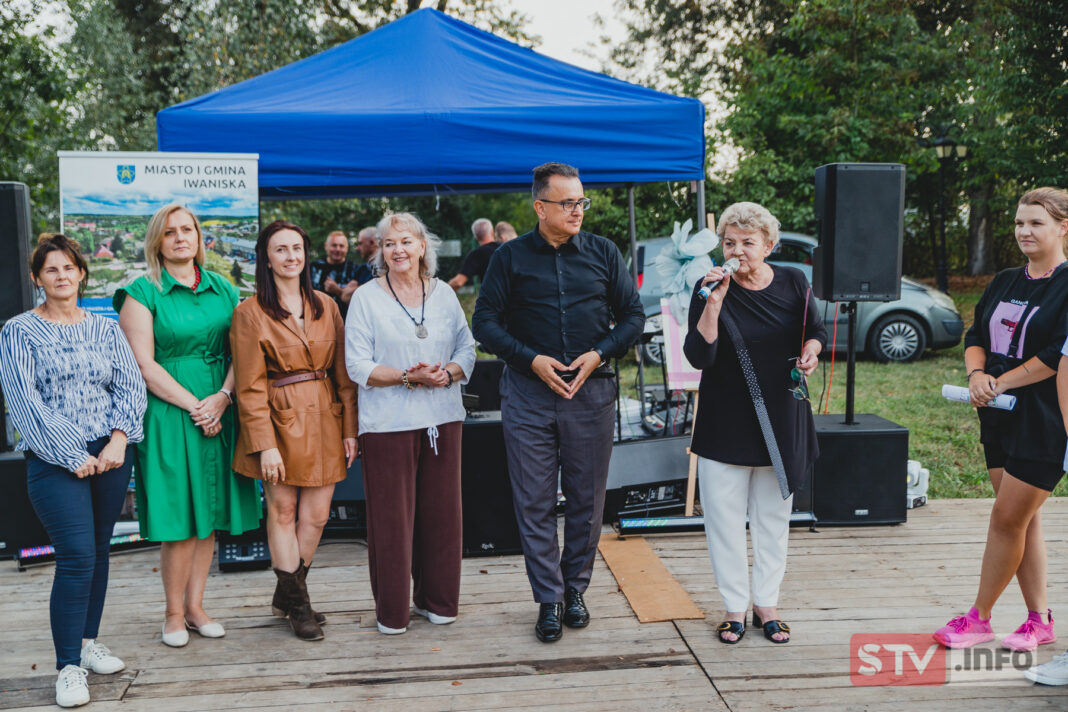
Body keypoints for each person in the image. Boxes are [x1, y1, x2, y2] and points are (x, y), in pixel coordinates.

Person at [472, 162, 644, 643]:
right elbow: (484, 323)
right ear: (540, 207)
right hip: (528, 395)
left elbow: (633, 316)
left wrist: (598, 354)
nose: (577, 210)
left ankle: (575, 591)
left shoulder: (604, 252)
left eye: (581, 201)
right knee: (534, 501)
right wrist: (531, 360)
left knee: (588, 501)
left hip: (591, 391)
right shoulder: (508, 257)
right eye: (567, 202)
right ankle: (548, 598)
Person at [0, 234, 146, 708]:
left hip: (110, 454)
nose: (61, 276)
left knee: (99, 551)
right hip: (53, 458)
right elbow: (23, 402)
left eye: (68, 268)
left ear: (82, 273)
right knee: (77, 555)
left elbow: (129, 385)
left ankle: (87, 644)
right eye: (51, 270)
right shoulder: (19, 331)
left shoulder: (105, 329)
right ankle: (67, 668)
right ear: (37, 278)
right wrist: (70, 452)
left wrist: (119, 439)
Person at [116, 204, 261, 650]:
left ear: (199, 237)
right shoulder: (142, 292)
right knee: (180, 518)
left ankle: (196, 608)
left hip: (220, 405)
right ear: (157, 242)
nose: (180, 238)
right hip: (170, 412)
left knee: (209, 515)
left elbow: (242, 351)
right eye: (170, 232)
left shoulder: (223, 288)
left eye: (187, 230)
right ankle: (173, 614)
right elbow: (143, 365)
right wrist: (197, 407)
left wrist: (223, 398)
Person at [683, 202, 826, 645]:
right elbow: (698, 356)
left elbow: (815, 330)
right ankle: (734, 607)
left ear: (769, 245)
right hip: (725, 421)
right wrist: (713, 303)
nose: (738, 251)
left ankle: (767, 604)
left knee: (772, 519)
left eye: (748, 242)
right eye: (730, 243)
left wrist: (812, 351)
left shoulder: (793, 281)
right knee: (723, 522)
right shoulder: (708, 287)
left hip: (780, 418)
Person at [934, 187, 1068, 652]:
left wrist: (1000, 382)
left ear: (1063, 228)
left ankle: (979, 618)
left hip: (1046, 418)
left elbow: (1056, 355)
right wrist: (977, 375)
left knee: (1007, 518)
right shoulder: (1005, 280)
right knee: (1022, 521)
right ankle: (1039, 620)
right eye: (1018, 223)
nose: (1024, 231)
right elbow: (976, 335)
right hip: (998, 415)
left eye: (1035, 223)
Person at [345, 212, 476, 635]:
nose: (397, 249)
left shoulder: (444, 294)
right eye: (389, 243)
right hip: (388, 423)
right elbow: (357, 365)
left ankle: (437, 601)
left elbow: (467, 348)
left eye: (405, 241)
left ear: (422, 246)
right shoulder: (366, 298)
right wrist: (408, 377)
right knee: (392, 523)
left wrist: (447, 373)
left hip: (442, 418)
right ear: (380, 252)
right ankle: (393, 613)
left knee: (442, 517)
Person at [231, 220, 358, 642]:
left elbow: (344, 376)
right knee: (283, 512)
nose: (291, 256)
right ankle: (299, 606)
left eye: (297, 248)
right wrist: (264, 445)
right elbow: (249, 386)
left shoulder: (327, 305)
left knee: (317, 517)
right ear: (266, 259)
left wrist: (351, 429)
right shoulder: (249, 312)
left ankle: (287, 593)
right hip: (279, 420)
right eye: (281, 249)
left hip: (325, 417)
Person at [310, 230, 360, 317]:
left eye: (341, 246)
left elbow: (358, 301)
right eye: (334, 245)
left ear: (347, 248)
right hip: (317, 317)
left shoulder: (356, 270)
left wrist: (337, 290)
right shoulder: (313, 267)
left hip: (344, 319)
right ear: (326, 246)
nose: (338, 249)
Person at [448, 217, 498, 289]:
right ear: (492, 232)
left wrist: (440, 292)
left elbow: (458, 282)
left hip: (492, 295)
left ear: (475, 237)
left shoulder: (477, 254)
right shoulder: (506, 249)